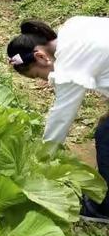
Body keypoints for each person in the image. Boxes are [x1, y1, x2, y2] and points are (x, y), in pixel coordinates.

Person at [7, 17, 109, 223]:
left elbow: (60, 120)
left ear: (41, 57)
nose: (45, 81)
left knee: (106, 138)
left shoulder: (71, 62)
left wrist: (38, 163)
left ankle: (103, 209)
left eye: (38, 76)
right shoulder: (73, 27)